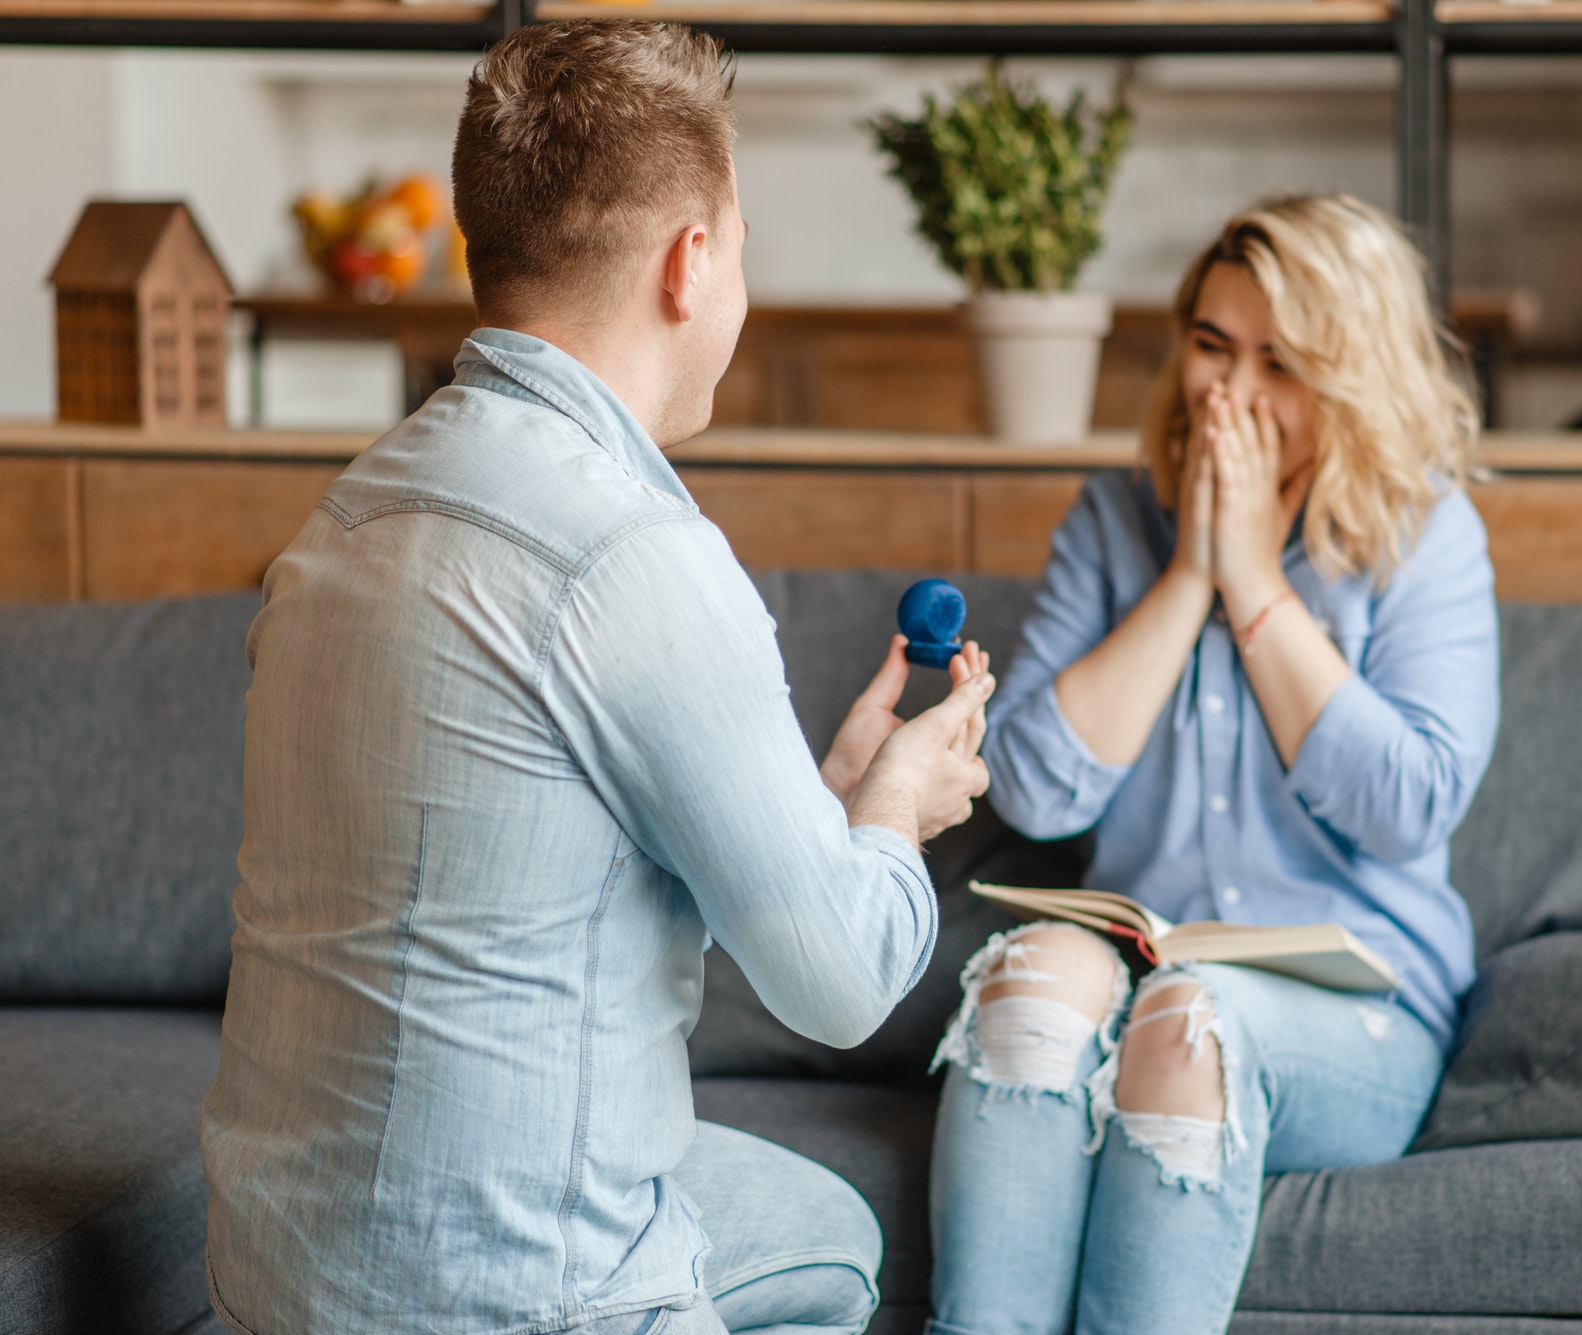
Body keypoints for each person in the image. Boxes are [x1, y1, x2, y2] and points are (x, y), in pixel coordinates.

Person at [199, 20, 994, 1335]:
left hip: (274, 1276)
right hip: (522, 1303)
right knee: (838, 1242)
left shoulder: (343, 519)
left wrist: (832, 797)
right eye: (742, 244)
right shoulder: (639, 556)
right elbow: (842, 981)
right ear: (692, 263)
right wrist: (898, 810)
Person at [927, 195, 1501, 1334]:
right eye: (1208, 346)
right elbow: (1035, 791)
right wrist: (1188, 574)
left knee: (1193, 1020)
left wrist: (1254, 585)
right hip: (1148, 968)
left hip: (1360, 1009)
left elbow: (1410, 807)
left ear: (1349, 383)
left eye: (1277, 364)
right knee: (1028, 985)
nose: (1225, 394)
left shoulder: (1423, 534)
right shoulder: (1112, 521)